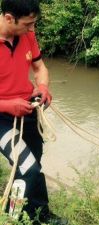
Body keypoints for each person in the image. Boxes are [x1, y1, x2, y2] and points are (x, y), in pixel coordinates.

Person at [0, 0, 66, 224]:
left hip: (27, 109)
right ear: (9, 18)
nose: (32, 30)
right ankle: (11, 217)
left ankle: (39, 215)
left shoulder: (27, 35)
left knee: (33, 163)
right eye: (28, 24)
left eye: (34, 23)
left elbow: (39, 67)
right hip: (2, 118)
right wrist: (7, 105)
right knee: (28, 168)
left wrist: (44, 87)